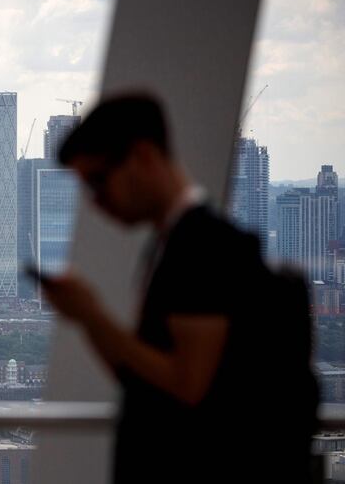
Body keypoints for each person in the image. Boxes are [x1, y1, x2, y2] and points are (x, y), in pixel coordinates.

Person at [42, 93, 317, 483]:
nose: (96, 202)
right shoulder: (171, 244)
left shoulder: (202, 247)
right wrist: (87, 319)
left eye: (98, 181)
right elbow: (144, 374)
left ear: (143, 157)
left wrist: (92, 315)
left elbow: (188, 385)